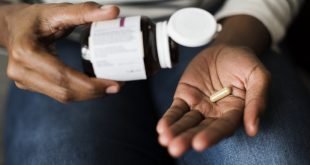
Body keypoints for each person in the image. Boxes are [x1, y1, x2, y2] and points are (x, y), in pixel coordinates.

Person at [1, 0, 310, 164]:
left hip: (221, 23)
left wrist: (237, 39)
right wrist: (9, 23)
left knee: (274, 158)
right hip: (64, 39)